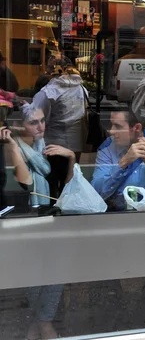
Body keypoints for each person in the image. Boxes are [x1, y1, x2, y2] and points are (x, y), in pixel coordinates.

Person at [0, 104, 76, 339]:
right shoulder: (12, 149)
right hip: (24, 223)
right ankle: (45, 323)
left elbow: (68, 187)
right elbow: (27, 185)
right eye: (33, 122)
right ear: (19, 126)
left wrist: (71, 158)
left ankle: (40, 323)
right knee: (33, 273)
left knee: (56, 272)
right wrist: (13, 146)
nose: (41, 126)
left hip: (52, 220)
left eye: (42, 121)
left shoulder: (50, 149)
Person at [91, 110, 145, 211]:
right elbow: (96, 193)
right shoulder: (108, 147)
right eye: (111, 125)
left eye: (118, 126)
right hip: (116, 212)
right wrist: (123, 163)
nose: (111, 131)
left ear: (137, 128)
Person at [32, 65, 86, 198]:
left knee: (51, 183)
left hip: (54, 143)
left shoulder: (48, 92)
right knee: (70, 181)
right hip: (75, 144)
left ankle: (52, 210)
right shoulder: (81, 89)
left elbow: (35, 116)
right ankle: (67, 208)